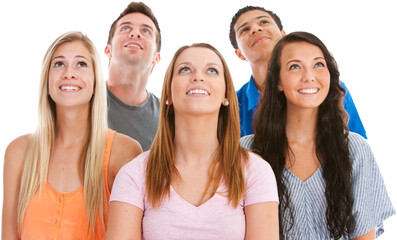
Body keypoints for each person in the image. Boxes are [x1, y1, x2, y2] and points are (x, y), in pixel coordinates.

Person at [107, 43, 279, 239]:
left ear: (226, 96)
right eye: (185, 69)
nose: (198, 77)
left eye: (212, 70)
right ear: (168, 94)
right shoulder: (134, 174)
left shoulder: (256, 171)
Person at [240, 31, 395, 239]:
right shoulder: (248, 152)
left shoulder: (355, 149)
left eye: (318, 65)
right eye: (295, 66)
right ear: (277, 81)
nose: (309, 76)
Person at [2, 31, 142, 239]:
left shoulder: (123, 152)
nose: (69, 73)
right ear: (47, 81)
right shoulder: (18, 152)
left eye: (81, 64)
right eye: (59, 64)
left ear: (95, 81)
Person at [229, 6, 367, 138]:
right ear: (239, 53)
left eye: (264, 22)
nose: (256, 28)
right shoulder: (233, 106)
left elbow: (358, 150)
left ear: (283, 35)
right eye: (245, 29)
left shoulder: (330, 88)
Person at [105, 1, 161, 151]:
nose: (135, 34)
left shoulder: (168, 117)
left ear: (157, 57)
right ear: (107, 50)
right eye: (126, 28)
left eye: (146, 31)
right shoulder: (83, 100)